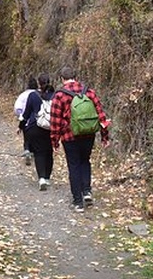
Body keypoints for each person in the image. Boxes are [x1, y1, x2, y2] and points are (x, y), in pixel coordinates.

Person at [49, 66, 110, 212]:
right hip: (88, 134)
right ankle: (87, 192)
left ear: (62, 79)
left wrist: (54, 141)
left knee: (74, 165)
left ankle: (78, 202)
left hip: (70, 137)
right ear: (75, 76)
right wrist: (104, 136)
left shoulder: (59, 95)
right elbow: (101, 115)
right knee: (85, 161)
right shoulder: (89, 91)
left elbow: (55, 121)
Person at [20, 74, 55, 191]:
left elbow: (26, 113)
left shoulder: (33, 95)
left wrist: (21, 125)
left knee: (39, 152)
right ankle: (47, 177)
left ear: (38, 83)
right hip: (51, 127)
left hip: (36, 126)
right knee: (49, 152)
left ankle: (41, 179)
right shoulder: (55, 95)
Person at [14, 76, 38, 165]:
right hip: (37, 121)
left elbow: (17, 107)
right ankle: (34, 152)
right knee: (36, 138)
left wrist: (20, 115)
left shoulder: (23, 95)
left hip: (26, 120)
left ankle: (27, 150)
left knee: (27, 137)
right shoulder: (39, 94)